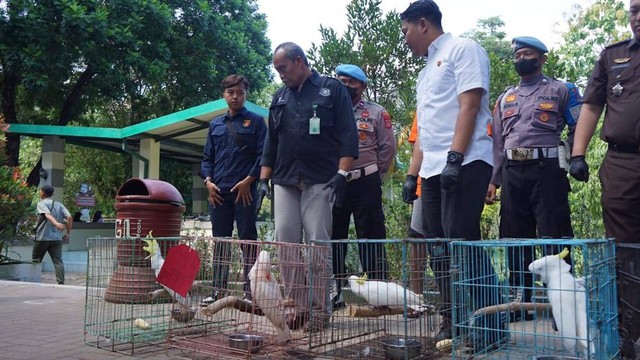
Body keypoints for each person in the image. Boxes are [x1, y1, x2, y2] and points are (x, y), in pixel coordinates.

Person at [399, 0, 503, 347]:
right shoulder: (425, 72)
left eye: (406, 31)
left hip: (467, 161)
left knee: (463, 241)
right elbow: (426, 130)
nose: (405, 39)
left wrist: (455, 157)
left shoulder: (464, 49)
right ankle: (454, 320)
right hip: (431, 170)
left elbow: (470, 105)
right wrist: (412, 175)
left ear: (423, 23)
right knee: (438, 248)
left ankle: (491, 325)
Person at [258, 42, 359, 330]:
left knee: (317, 245)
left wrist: (342, 173)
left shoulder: (331, 89)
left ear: (300, 61)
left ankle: (319, 310)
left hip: (321, 179)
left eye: (283, 68)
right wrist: (264, 179)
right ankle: (298, 307)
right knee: (286, 245)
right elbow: (271, 142)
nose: (280, 75)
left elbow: (347, 133)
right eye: (276, 71)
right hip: (285, 179)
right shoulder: (279, 97)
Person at [486, 36, 582, 321]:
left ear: (541, 58)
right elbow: (498, 143)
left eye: (526, 55)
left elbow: (578, 125)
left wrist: (577, 157)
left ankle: (562, 301)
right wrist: (493, 181)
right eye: (517, 56)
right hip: (513, 172)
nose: (520, 60)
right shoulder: (505, 98)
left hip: (547, 169)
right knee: (515, 237)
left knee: (555, 233)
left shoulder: (562, 90)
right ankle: (521, 300)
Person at [569, 1, 640, 356]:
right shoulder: (613, 56)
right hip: (624, 164)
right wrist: (577, 153)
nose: (638, 17)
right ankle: (630, 335)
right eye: (634, 9)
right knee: (624, 252)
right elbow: (592, 105)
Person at [330, 64, 396, 309]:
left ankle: (378, 295)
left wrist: (376, 174)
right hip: (336, 182)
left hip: (366, 181)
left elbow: (387, 148)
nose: (346, 86)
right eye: (342, 81)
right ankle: (337, 290)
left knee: (371, 236)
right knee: (335, 236)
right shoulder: (330, 112)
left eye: (351, 82)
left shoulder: (376, 113)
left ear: (362, 86)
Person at [201, 74, 267, 304]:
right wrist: (207, 182)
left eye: (239, 92)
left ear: (245, 94)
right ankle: (217, 291)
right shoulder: (216, 124)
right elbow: (207, 158)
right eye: (231, 93)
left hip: (245, 191)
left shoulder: (257, 122)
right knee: (221, 241)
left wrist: (250, 180)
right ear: (224, 96)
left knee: (247, 240)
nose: (235, 96)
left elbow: (263, 155)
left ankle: (252, 293)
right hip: (218, 192)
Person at [32, 185, 72, 285]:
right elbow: (70, 217)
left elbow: (47, 214)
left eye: (40, 191)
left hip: (42, 237)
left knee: (36, 260)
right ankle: (61, 281)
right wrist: (68, 233)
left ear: (43, 193)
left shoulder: (41, 204)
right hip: (56, 238)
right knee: (58, 261)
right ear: (52, 194)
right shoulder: (59, 205)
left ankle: (33, 280)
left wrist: (56, 224)